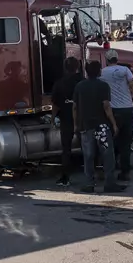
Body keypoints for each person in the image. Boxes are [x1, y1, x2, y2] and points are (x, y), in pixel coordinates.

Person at [74, 60, 127, 194]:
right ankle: (110, 183)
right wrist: (114, 124)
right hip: (101, 126)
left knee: (88, 155)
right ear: (99, 72)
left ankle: (89, 184)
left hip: (86, 126)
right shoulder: (103, 86)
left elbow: (74, 107)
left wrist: (76, 124)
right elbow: (106, 106)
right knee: (107, 154)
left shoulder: (79, 86)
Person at [100, 49, 133, 181]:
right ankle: (125, 172)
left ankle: (110, 171)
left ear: (106, 60)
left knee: (112, 141)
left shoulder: (103, 72)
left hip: (113, 111)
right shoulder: (125, 70)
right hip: (128, 109)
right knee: (126, 143)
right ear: (117, 59)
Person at [51, 57, 83, 186]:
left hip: (66, 119)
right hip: (82, 119)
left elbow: (55, 105)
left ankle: (65, 178)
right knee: (88, 148)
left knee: (66, 149)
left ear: (65, 67)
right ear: (78, 67)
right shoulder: (82, 82)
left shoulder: (59, 84)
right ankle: (92, 176)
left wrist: (53, 118)